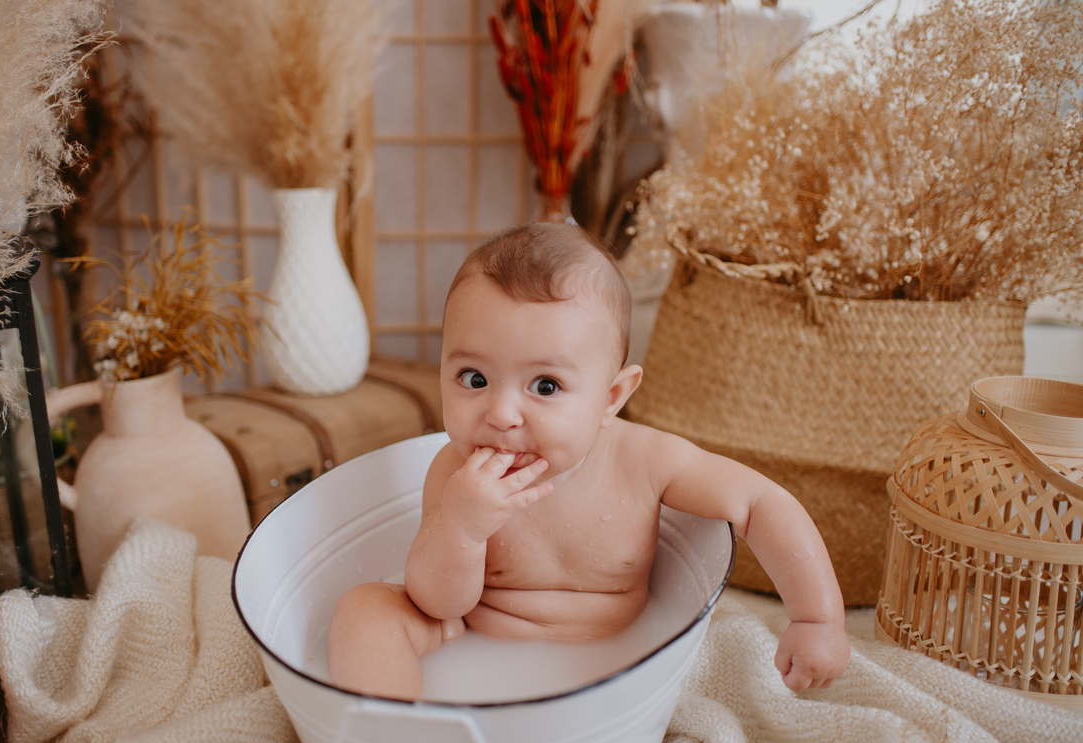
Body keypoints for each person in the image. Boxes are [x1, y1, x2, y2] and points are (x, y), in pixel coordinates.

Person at [328, 222, 851, 701]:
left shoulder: (646, 460)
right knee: (364, 610)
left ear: (610, 397)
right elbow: (440, 605)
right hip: (473, 636)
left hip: (622, 661)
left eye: (546, 386)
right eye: (474, 378)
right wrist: (461, 530)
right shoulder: (456, 475)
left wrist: (816, 619)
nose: (502, 413)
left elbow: (760, 502)